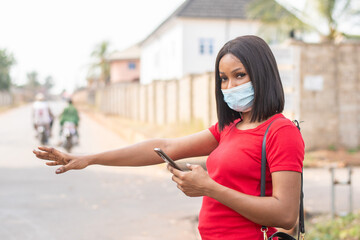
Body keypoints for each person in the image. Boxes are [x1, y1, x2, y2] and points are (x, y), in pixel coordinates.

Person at [33, 35, 304, 240]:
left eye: (239, 75)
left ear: (263, 75)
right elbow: (164, 146)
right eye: (223, 78)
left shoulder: (281, 132)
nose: (229, 87)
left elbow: (285, 213)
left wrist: (209, 187)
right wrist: (89, 158)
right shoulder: (229, 127)